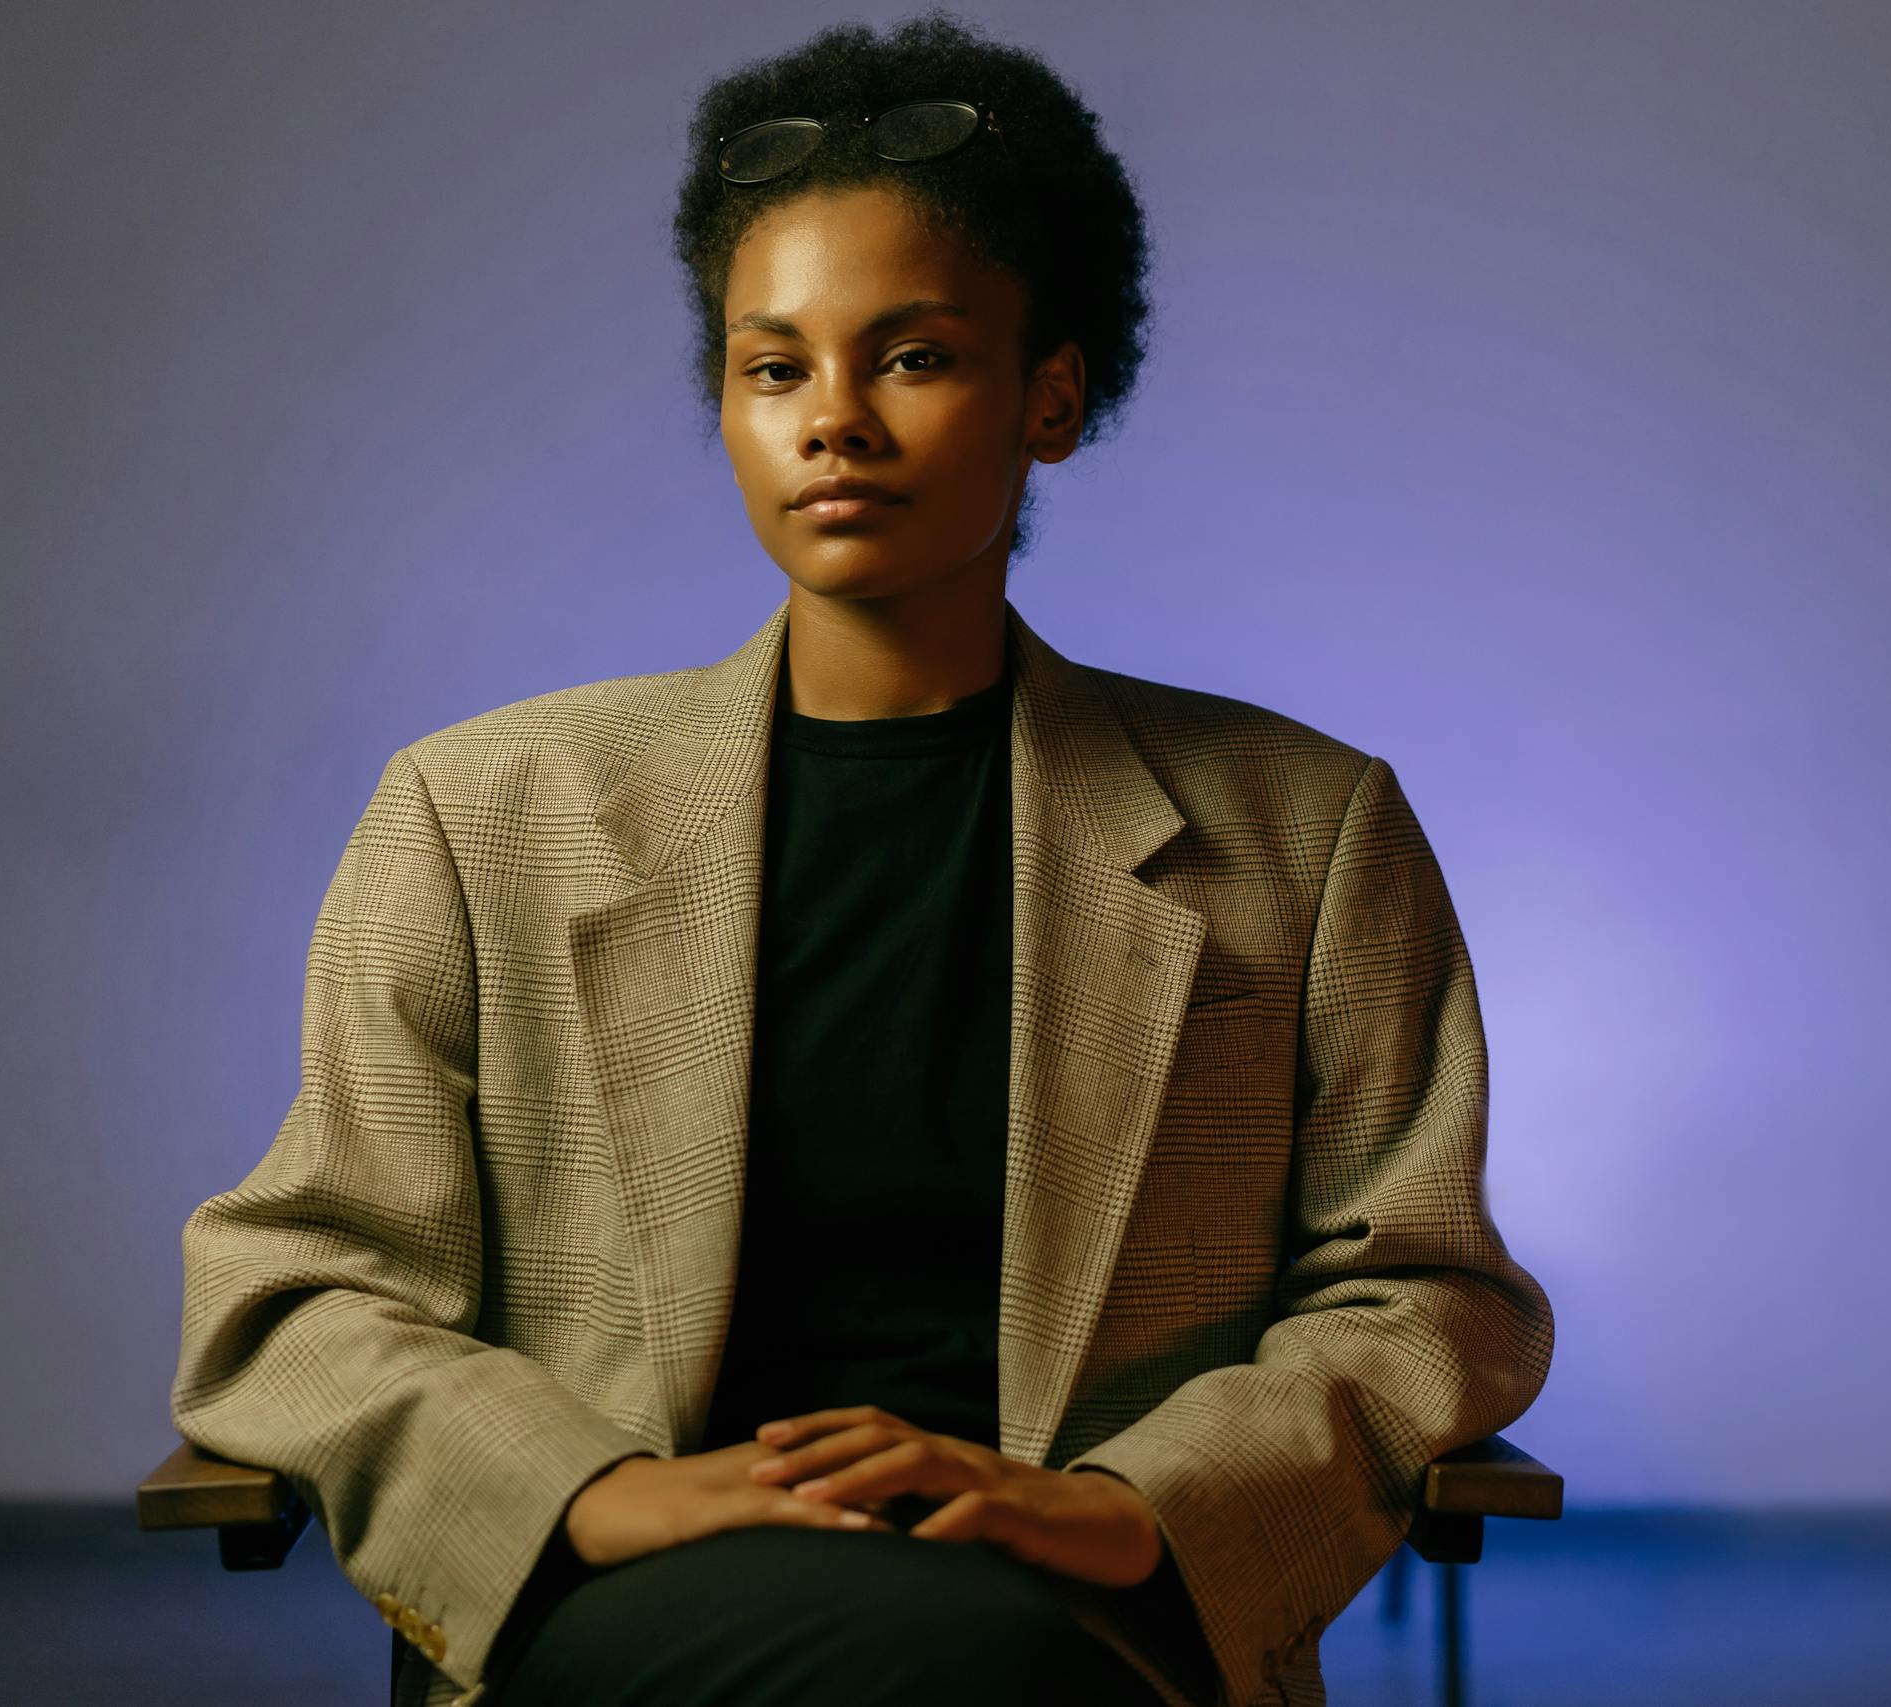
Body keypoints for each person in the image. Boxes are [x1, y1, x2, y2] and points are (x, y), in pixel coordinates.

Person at [169, 11, 1554, 1707]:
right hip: (627, 1597)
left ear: (1054, 395)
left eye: (911, 356)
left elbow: (1427, 1293)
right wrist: (594, 1491)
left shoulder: (1301, 829)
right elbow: (297, 1286)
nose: (834, 421)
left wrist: (1126, 1506)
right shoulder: (482, 812)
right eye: (774, 367)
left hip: (1083, 1606)